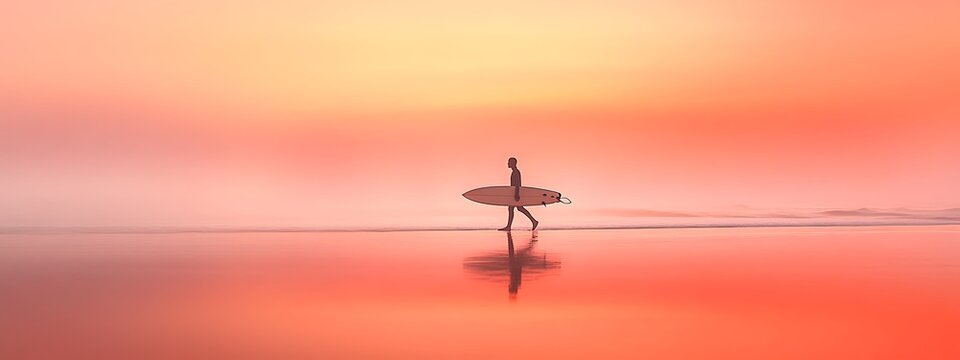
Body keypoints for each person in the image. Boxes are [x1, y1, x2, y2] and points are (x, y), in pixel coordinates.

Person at [499, 157, 539, 231]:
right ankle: (533, 221)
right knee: (518, 208)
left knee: (513, 208)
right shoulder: (515, 171)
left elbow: (517, 184)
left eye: (509, 162)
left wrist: (516, 194)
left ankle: (509, 226)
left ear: (513, 163)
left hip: (516, 193)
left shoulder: (516, 172)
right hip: (515, 193)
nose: (507, 163)